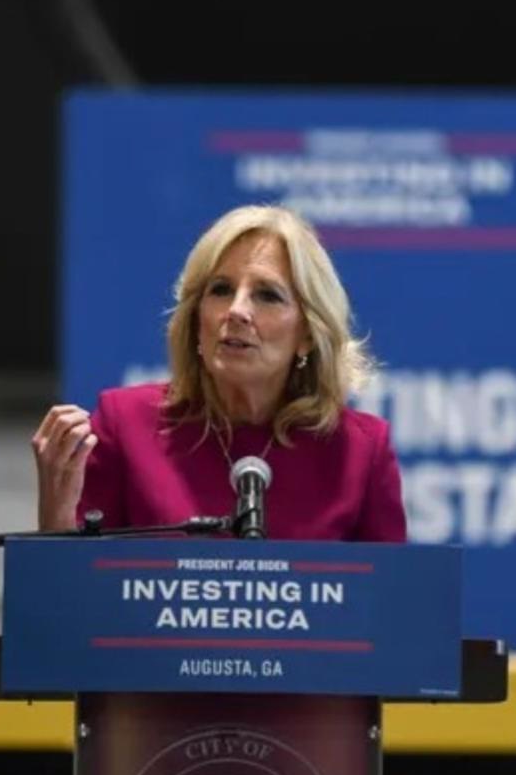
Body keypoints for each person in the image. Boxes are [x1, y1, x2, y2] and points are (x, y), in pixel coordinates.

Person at [31, 205, 406, 542]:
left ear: (308, 334)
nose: (237, 311)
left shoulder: (360, 452)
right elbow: (70, 602)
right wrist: (55, 511)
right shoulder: (125, 425)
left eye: (267, 295)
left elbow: (391, 607)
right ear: (197, 320)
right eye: (221, 290)